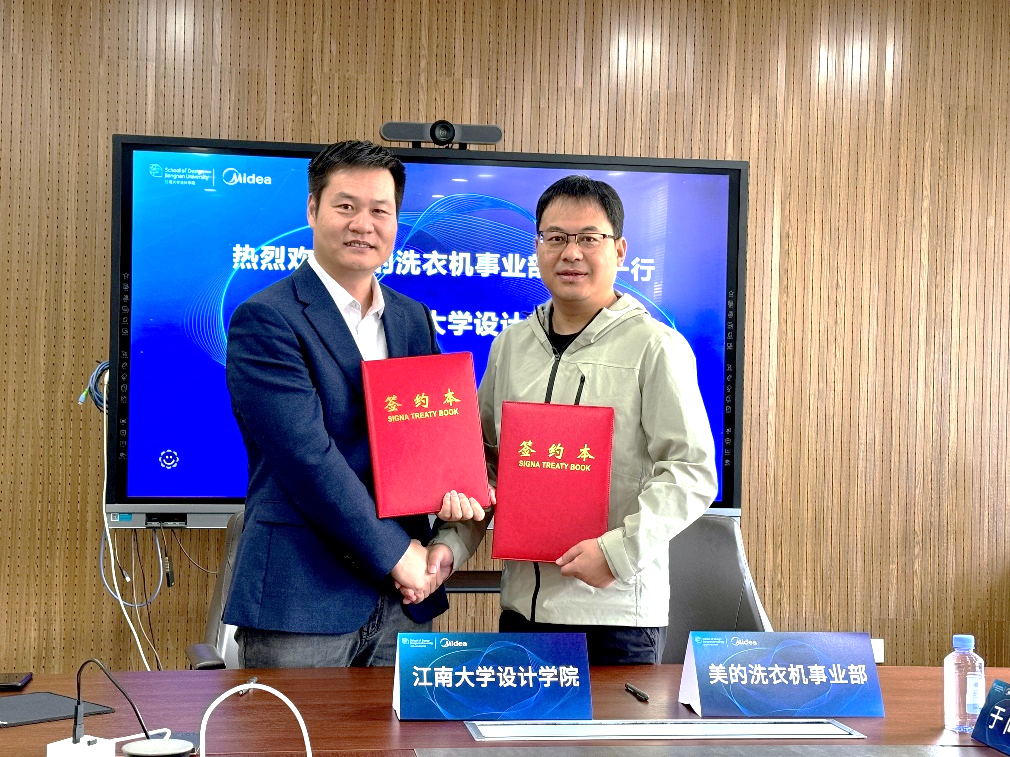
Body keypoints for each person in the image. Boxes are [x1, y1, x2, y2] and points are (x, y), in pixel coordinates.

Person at [425, 175, 718, 664]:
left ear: (619, 250)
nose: (571, 253)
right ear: (538, 246)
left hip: (616, 614)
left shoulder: (655, 346)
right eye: (556, 237)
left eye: (589, 238)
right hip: (524, 608)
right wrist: (450, 545)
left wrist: (619, 553)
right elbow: (484, 467)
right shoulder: (511, 345)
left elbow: (691, 471)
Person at [223, 140, 483, 668]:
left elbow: (432, 437)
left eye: (380, 211)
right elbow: (307, 459)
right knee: (291, 727)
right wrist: (397, 555)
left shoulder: (412, 319)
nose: (363, 224)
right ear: (312, 209)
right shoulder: (267, 318)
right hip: (302, 597)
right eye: (346, 206)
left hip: (403, 599)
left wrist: (455, 498)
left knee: (398, 727)